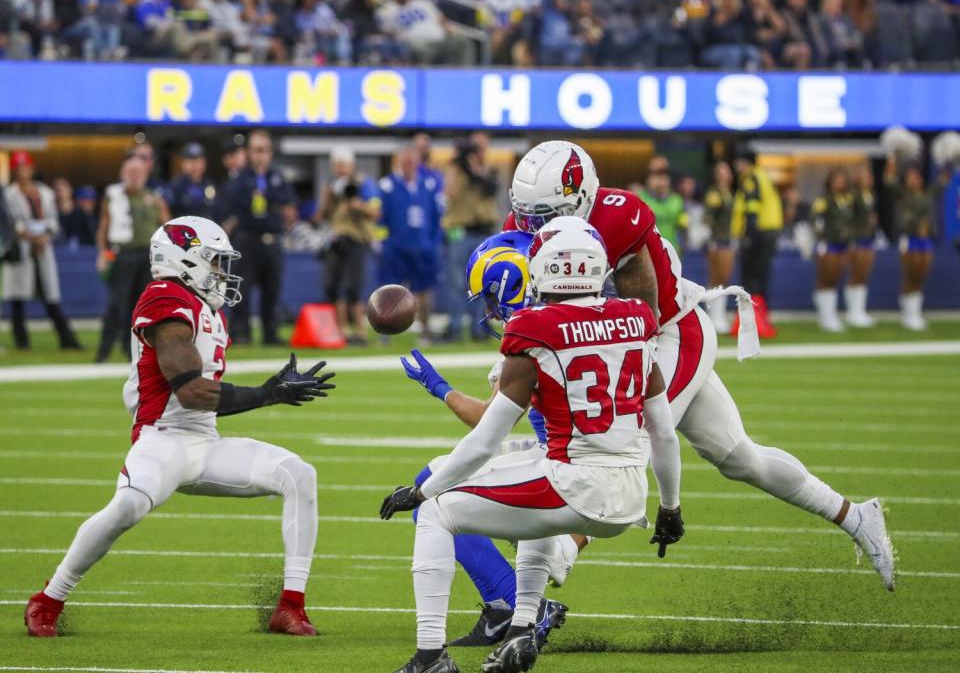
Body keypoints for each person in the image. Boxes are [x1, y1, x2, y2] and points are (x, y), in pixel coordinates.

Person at [506, 140, 896, 591]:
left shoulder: (618, 217)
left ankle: (564, 552)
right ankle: (856, 516)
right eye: (528, 217)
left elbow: (642, 320)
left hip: (670, 334)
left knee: (626, 441)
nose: (534, 228)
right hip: (615, 346)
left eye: (546, 216)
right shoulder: (525, 226)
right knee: (742, 459)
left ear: (581, 196)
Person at [381, 217, 681, 673]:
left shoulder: (534, 327)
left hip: (576, 484)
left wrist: (421, 492)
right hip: (632, 493)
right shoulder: (637, 317)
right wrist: (672, 508)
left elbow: (485, 440)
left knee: (438, 509)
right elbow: (661, 428)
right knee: (534, 495)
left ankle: (429, 658)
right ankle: (521, 633)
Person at [24, 216, 336, 638]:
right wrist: (270, 393)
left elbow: (207, 403)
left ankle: (290, 606)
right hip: (162, 440)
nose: (222, 272)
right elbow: (190, 391)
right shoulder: (164, 297)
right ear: (184, 259)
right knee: (128, 507)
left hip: (204, 442)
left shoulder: (210, 311)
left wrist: (270, 393)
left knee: (300, 474)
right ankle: (48, 599)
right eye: (215, 261)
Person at [218, 129, 296, 345]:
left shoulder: (277, 177)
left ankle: (270, 332)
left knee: (272, 289)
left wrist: (267, 197)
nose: (261, 155)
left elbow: (287, 201)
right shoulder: (241, 178)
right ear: (249, 152)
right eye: (257, 150)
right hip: (248, 239)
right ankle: (241, 332)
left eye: (265, 150)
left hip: (272, 240)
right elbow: (236, 200)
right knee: (242, 288)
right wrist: (272, 201)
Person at [2, 151, 82, 351]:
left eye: (26, 168)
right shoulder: (9, 194)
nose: (23, 172)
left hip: (43, 249)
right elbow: (12, 222)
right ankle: (22, 342)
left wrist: (45, 236)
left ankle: (67, 340)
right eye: (19, 169)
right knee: (18, 298)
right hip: (21, 249)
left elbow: (53, 221)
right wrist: (31, 237)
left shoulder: (44, 192)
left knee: (51, 297)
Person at [95, 155, 170, 363]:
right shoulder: (114, 196)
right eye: (131, 173)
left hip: (147, 256)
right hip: (123, 254)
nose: (135, 177)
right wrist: (102, 252)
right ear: (123, 174)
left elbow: (167, 225)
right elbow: (104, 226)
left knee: (143, 306)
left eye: (138, 173)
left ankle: (135, 350)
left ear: (146, 174)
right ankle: (104, 350)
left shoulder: (154, 197)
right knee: (116, 304)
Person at [377, 146, 444, 343]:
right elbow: (381, 217)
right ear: (399, 162)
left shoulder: (428, 184)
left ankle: (426, 331)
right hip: (396, 246)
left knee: (424, 290)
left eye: (413, 162)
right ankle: (385, 333)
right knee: (389, 291)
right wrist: (384, 241)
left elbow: (436, 217)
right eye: (406, 161)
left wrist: (432, 242)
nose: (410, 165)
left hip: (422, 246)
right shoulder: (388, 185)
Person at [317, 146, 380, 345]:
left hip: (356, 239)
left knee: (354, 287)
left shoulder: (364, 183)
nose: (341, 169)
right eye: (337, 165)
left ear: (352, 165)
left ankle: (360, 332)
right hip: (336, 240)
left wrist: (357, 204)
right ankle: (342, 330)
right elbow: (321, 216)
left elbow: (376, 213)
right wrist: (327, 197)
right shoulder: (332, 185)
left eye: (344, 164)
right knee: (333, 286)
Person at [442, 135, 500, 341]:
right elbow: (450, 193)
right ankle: (456, 327)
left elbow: (490, 190)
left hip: (483, 231)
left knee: (481, 282)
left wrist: (475, 171)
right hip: (461, 229)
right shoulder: (455, 170)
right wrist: (459, 167)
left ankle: (479, 329)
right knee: (457, 282)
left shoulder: (487, 170)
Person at [731, 147, 782, 338]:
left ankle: (753, 321)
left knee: (751, 278)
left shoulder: (751, 179)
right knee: (761, 276)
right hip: (767, 232)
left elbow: (752, 209)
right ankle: (760, 319)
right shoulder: (763, 176)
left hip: (758, 233)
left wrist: (747, 236)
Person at [885, 155, 935, 331]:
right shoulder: (902, 194)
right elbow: (889, 181)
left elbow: (944, 182)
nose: (915, 180)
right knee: (911, 275)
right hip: (909, 238)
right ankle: (908, 313)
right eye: (911, 177)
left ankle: (916, 312)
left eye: (917, 176)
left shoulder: (927, 194)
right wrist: (892, 158)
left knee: (921, 275)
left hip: (925, 240)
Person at [375, 0, 475, 65]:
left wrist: (449, 30)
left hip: (440, 41)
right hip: (416, 46)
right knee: (419, 52)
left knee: (462, 41)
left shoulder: (422, 2)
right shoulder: (388, 10)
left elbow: (441, 19)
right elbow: (387, 31)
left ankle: (466, 76)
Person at [811, 168, 854, 332]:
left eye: (842, 179)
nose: (840, 183)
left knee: (836, 278)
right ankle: (825, 316)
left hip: (842, 244)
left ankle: (831, 314)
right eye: (837, 179)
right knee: (826, 277)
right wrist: (820, 235)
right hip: (828, 243)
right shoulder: (824, 199)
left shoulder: (847, 199)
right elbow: (815, 218)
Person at [703, 160, 736, 332]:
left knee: (724, 278)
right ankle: (714, 317)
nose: (726, 175)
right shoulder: (714, 194)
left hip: (728, 238)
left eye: (727, 171)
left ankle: (719, 315)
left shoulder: (730, 193)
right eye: (722, 172)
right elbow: (708, 217)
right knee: (717, 277)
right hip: (717, 239)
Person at [847, 162, 877, 327]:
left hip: (868, 238)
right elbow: (849, 217)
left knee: (864, 274)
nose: (867, 179)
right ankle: (853, 312)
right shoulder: (854, 195)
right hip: (856, 238)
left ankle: (860, 310)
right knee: (856, 273)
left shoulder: (870, 195)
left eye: (868, 176)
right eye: (863, 175)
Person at [637, 156, 687, 254]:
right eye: (655, 174)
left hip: (672, 251)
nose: (660, 180)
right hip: (648, 252)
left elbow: (683, 227)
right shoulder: (640, 197)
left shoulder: (677, 200)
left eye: (663, 174)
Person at [163, 142, 218, 220]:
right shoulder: (176, 186)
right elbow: (166, 210)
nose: (196, 165)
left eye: (199, 161)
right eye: (191, 161)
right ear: (183, 163)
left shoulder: (209, 184)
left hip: (206, 229)